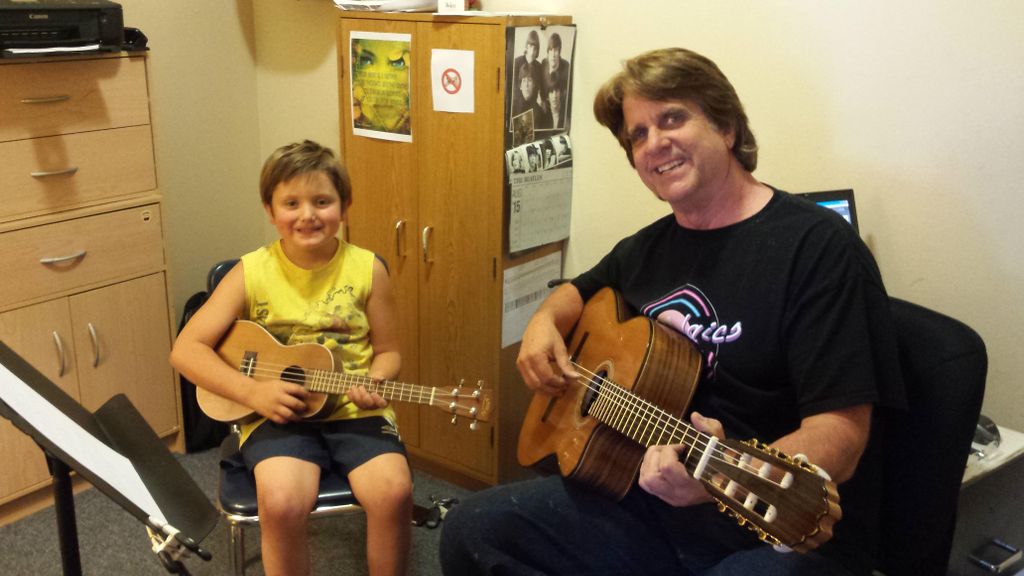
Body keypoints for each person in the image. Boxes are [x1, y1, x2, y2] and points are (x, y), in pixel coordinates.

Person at [440, 48, 905, 576]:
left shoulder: (818, 247)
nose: (654, 143)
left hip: (772, 530)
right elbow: (575, 291)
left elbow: (841, 433)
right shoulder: (647, 249)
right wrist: (542, 324)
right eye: (637, 135)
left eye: (672, 118)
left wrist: (714, 481)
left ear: (726, 127)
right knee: (472, 531)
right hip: (645, 502)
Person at [171, 140, 413, 576]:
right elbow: (186, 350)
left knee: (393, 492)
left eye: (322, 201)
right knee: (282, 502)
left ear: (345, 205)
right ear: (270, 210)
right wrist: (253, 392)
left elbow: (390, 352)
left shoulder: (367, 268)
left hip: (353, 409)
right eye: (291, 203)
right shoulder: (250, 272)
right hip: (274, 413)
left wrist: (376, 379)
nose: (308, 215)